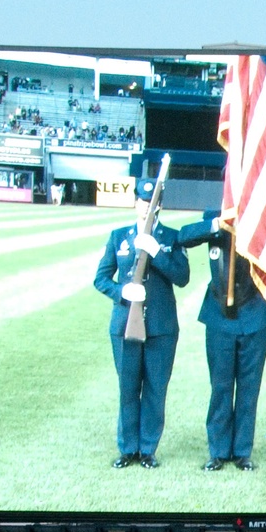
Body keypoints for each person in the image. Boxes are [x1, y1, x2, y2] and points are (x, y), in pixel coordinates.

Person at [93, 174, 190, 469]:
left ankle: (147, 449)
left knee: (155, 389)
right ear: (136, 202)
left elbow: (182, 277)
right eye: (142, 200)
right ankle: (127, 448)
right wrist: (121, 292)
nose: (146, 206)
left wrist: (156, 251)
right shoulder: (118, 236)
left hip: (160, 327)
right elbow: (100, 278)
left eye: (152, 201)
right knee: (128, 388)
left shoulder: (172, 238)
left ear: (159, 205)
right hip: (125, 326)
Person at [179, 211, 266, 470]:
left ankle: (242, 452)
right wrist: (217, 224)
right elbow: (183, 236)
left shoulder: (263, 215)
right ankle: (218, 450)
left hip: (255, 314)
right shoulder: (216, 218)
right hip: (219, 316)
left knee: (249, 388)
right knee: (221, 386)